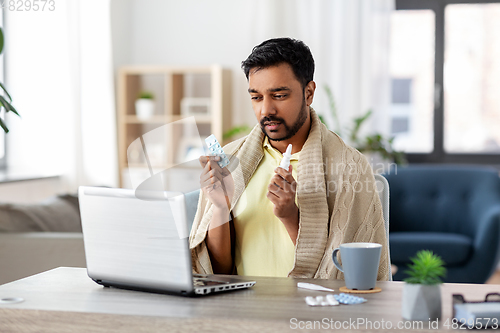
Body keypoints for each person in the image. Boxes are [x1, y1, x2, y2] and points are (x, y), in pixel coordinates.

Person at [189, 37, 390, 280]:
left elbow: (346, 274)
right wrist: (220, 208)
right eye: (256, 97)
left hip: (312, 314)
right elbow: (217, 272)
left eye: (279, 95)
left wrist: (289, 215)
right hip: (244, 310)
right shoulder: (230, 161)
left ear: (308, 93)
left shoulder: (349, 167)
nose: (266, 110)